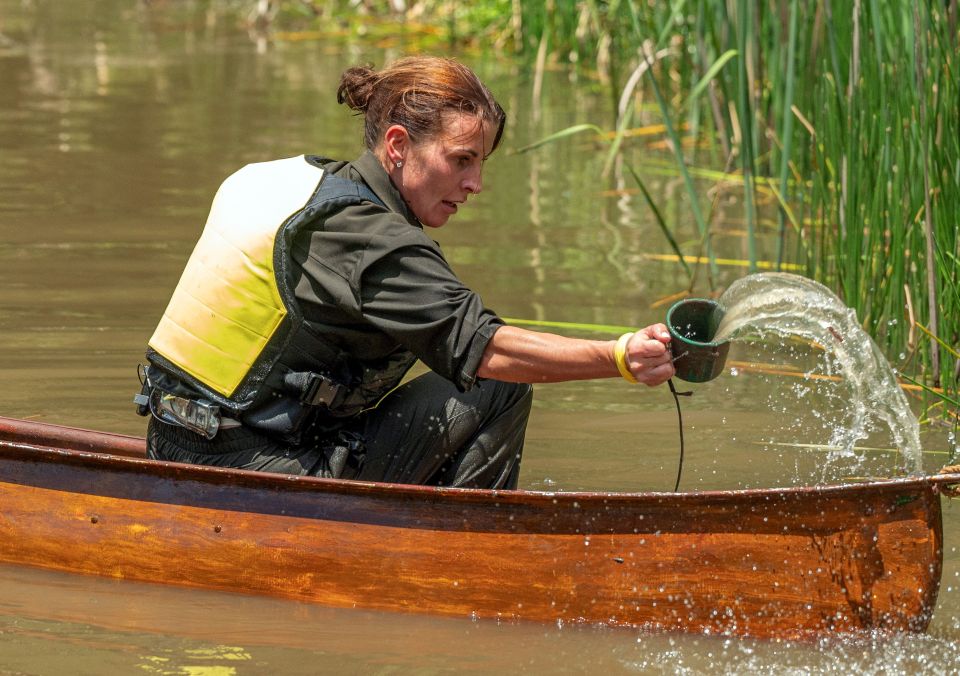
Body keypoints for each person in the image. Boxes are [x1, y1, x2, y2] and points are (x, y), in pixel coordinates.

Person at [136, 56, 674, 490]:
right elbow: (489, 350)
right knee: (500, 387)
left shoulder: (294, 181)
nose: (476, 184)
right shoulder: (369, 238)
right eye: (462, 159)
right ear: (397, 145)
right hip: (248, 470)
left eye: (481, 162)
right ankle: (465, 556)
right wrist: (620, 357)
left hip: (173, 439)